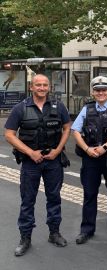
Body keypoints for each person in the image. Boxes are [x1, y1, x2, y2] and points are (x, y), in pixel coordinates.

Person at [4, 74, 71, 256]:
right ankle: (25, 238)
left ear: (49, 87)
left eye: (44, 85)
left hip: (53, 161)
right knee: (27, 201)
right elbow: (9, 134)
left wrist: (57, 150)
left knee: (54, 198)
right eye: (38, 85)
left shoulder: (59, 106)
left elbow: (67, 127)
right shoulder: (21, 108)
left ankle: (54, 233)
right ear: (31, 87)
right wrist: (30, 152)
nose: (41, 88)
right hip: (30, 163)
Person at [71, 76, 107, 245]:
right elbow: (75, 130)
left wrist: (105, 147)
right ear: (92, 92)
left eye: (104, 90)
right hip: (91, 158)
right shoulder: (86, 109)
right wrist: (87, 149)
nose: (101, 93)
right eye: (97, 90)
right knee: (89, 195)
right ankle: (87, 230)